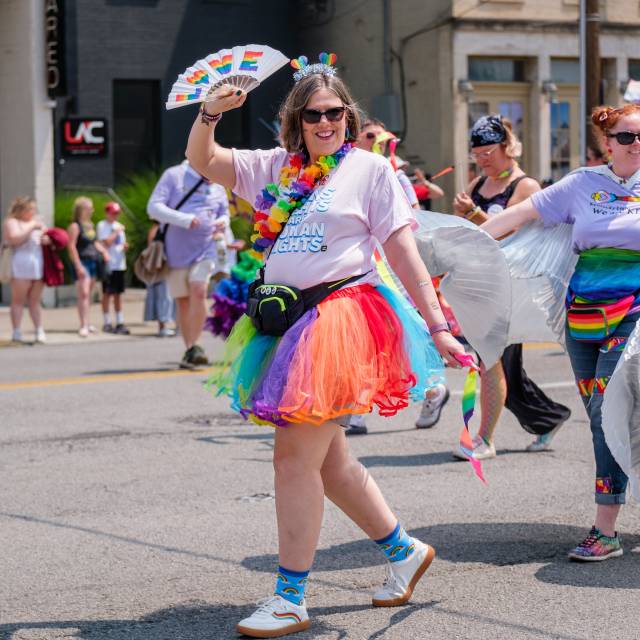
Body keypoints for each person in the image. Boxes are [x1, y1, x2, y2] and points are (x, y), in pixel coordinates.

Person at [186, 55, 467, 638]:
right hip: (286, 321)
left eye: (334, 113)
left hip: (340, 319)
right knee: (330, 461)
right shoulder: (276, 168)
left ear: (348, 114)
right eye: (313, 114)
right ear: (296, 120)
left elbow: (402, 250)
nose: (325, 123)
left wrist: (438, 324)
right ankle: (403, 550)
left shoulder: (368, 170)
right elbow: (203, 160)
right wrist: (211, 112)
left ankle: (290, 597)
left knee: (293, 459)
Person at [479, 103, 640, 561]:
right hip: (584, 319)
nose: (635, 145)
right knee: (601, 418)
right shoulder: (582, 185)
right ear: (607, 144)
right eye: (626, 137)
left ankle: (605, 529)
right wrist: (460, 250)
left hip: (635, 316)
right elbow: (519, 216)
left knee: (612, 411)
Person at [451, 115, 571, 459]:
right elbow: (465, 235)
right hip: (481, 283)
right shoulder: (476, 185)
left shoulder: (526, 186)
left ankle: (485, 440)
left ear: (507, 147)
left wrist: (473, 213)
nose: (483, 159)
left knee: (491, 361)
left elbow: (513, 236)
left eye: (489, 151)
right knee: (506, 368)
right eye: (477, 153)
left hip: (513, 285)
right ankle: (548, 417)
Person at [350, 119, 450, 435]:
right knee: (363, 336)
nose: (373, 140)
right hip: (362, 263)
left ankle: (434, 388)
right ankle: (356, 407)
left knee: (402, 333)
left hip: (390, 266)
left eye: (379, 135)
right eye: (367, 135)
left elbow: (412, 220)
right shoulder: (348, 172)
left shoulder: (396, 175)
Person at [147, 160, 230, 369]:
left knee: (199, 290)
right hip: (176, 253)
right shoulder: (174, 175)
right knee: (183, 302)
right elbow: (153, 207)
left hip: (207, 249)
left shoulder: (218, 181)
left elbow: (224, 212)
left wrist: (223, 222)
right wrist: (184, 219)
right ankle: (190, 348)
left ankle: (198, 345)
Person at [2, 196, 48, 343]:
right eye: (30, 209)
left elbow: (47, 238)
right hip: (20, 264)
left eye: (34, 209)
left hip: (37, 264)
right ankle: (16, 331)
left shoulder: (37, 223)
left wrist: (47, 240)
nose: (33, 212)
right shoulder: (12, 222)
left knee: (35, 300)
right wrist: (31, 227)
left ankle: (39, 329)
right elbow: (15, 239)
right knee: (18, 300)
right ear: (21, 210)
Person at [67, 196, 109, 338]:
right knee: (83, 293)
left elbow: (93, 242)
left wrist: (103, 251)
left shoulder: (89, 225)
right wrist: (78, 265)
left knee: (88, 294)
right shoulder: (75, 226)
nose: (92, 211)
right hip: (82, 261)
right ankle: (83, 325)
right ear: (82, 209)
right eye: (89, 208)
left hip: (93, 261)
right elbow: (71, 246)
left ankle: (87, 322)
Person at [97, 201, 130, 334]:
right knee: (107, 293)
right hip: (109, 263)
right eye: (113, 213)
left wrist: (125, 246)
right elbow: (106, 242)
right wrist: (116, 232)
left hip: (119, 263)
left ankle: (120, 321)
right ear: (107, 213)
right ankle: (107, 322)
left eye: (117, 213)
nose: (115, 216)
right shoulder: (102, 225)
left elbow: (120, 243)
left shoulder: (119, 226)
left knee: (118, 294)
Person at [143, 223, 176, 337]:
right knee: (163, 295)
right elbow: (152, 247)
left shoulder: (171, 226)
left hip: (172, 265)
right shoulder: (157, 228)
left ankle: (176, 325)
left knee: (173, 296)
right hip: (161, 266)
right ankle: (163, 327)